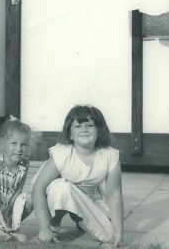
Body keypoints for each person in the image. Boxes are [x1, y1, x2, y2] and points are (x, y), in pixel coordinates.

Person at [32, 105, 124, 248]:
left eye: (90, 125)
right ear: (70, 134)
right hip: (56, 193)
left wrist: (119, 231)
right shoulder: (62, 153)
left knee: (109, 236)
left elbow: (115, 196)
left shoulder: (109, 156)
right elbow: (38, 188)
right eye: (78, 126)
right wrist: (43, 228)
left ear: (99, 130)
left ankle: (77, 217)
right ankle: (53, 223)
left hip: (87, 199)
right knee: (61, 187)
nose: (84, 130)